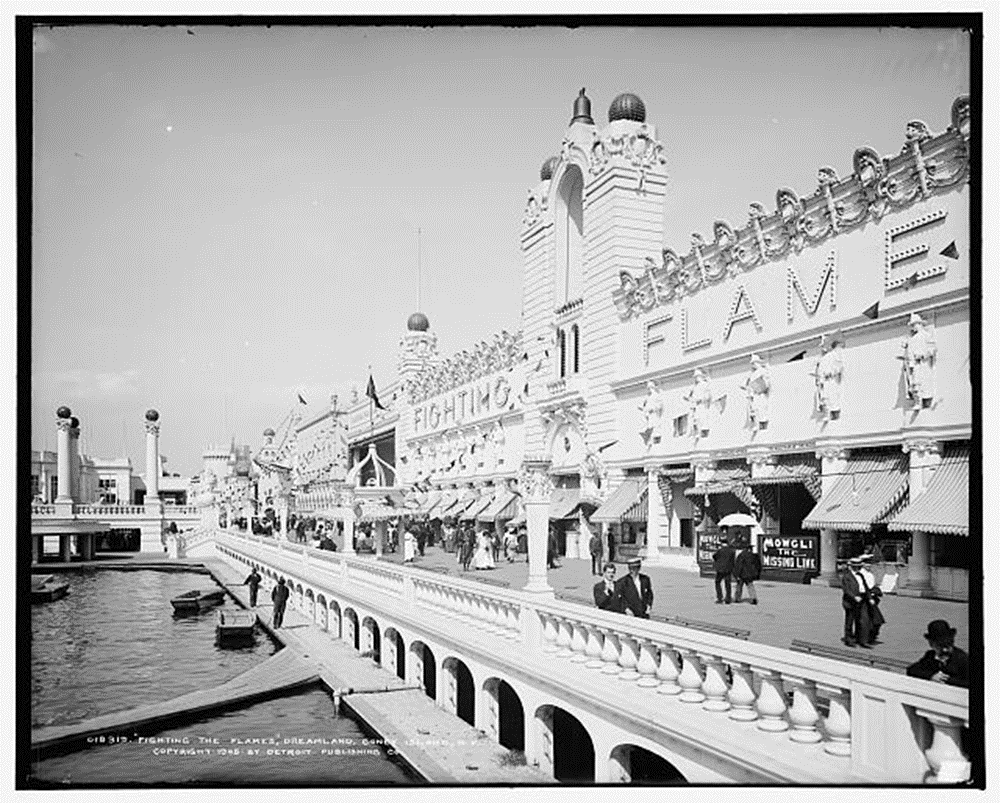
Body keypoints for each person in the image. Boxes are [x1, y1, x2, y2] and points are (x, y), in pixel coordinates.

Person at [906, 620, 969, 688]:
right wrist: (931, 676)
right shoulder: (930, 657)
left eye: (948, 644)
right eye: (940, 646)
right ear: (932, 644)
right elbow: (911, 670)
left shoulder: (962, 659)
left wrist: (946, 680)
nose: (945, 650)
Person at [840, 556, 872, 648]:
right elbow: (846, 589)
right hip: (850, 601)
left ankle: (862, 640)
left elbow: (865, 587)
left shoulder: (861, 575)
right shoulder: (847, 576)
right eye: (855, 566)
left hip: (862, 599)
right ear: (851, 566)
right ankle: (849, 639)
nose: (857, 568)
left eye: (858, 566)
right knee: (850, 621)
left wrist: (869, 597)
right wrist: (854, 597)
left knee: (862, 620)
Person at [860, 555, 886, 644]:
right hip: (864, 599)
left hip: (872, 599)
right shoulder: (860, 574)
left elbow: (872, 585)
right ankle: (866, 638)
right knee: (866, 620)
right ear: (862, 564)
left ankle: (872, 636)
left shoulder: (870, 574)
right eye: (867, 564)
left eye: (870, 564)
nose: (869, 566)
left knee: (877, 619)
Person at [733, 535, 761, 605]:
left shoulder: (741, 555)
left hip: (742, 573)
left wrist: (736, 574)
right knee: (750, 586)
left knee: (739, 586)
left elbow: (738, 565)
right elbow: (758, 565)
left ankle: (737, 598)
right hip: (750, 574)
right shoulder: (753, 556)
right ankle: (753, 598)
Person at [712, 534, 737, 604]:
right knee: (728, 584)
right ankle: (728, 598)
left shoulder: (720, 550)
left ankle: (720, 597)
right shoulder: (731, 551)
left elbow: (714, 556)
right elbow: (733, 560)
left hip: (720, 569)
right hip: (728, 569)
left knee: (717, 582)